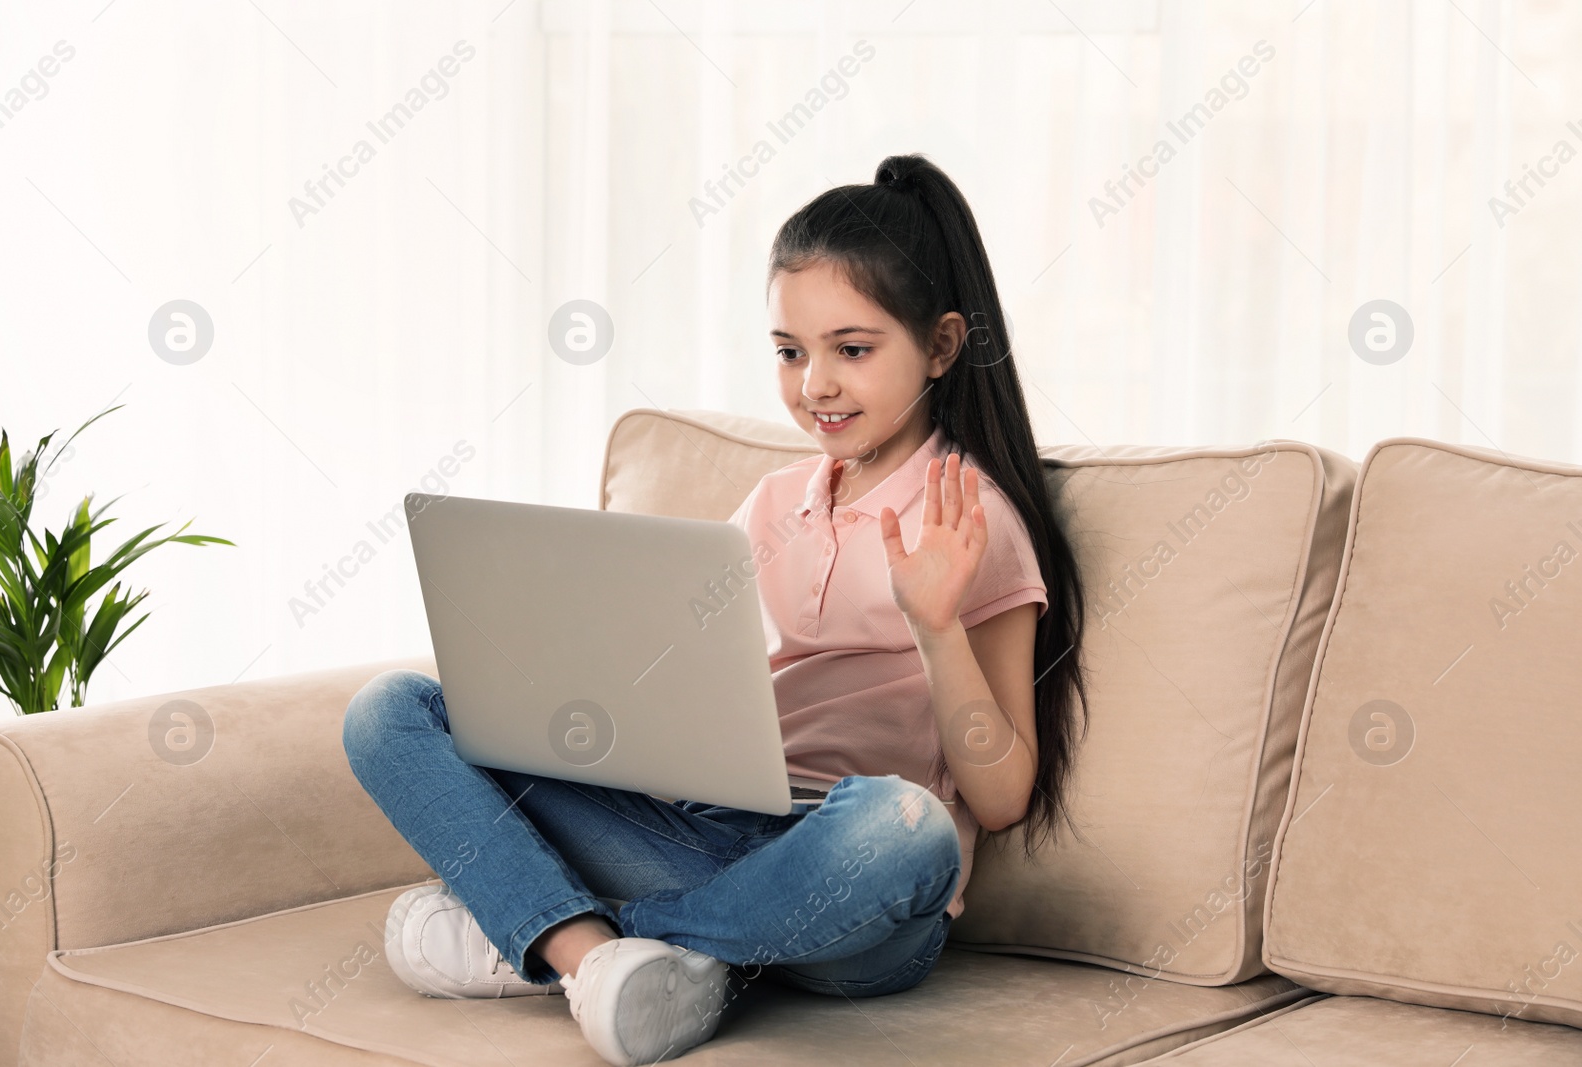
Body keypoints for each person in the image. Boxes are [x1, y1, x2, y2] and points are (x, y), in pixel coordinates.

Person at [342, 152, 1089, 1067]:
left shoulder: (971, 519)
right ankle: (614, 961)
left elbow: (1004, 796)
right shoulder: (773, 503)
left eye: (851, 350)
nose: (814, 384)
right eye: (789, 351)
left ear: (939, 346)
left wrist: (936, 625)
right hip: (699, 830)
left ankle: (550, 939)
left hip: (848, 886)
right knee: (390, 709)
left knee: (906, 826)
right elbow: (677, 677)